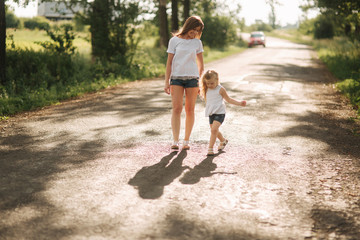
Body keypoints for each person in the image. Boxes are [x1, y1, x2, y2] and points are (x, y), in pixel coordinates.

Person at [164, 16, 205, 150]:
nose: (194, 33)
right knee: (177, 108)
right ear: (188, 26)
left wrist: (200, 83)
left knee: (190, 109)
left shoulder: (197, 43)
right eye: (193, 30)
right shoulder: (174, 41)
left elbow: (201, 66)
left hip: (193, 79)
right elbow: (169, 63)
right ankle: (175, 140)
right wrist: (167, 81)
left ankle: (186, 141)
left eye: (197, 31)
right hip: (176, 78)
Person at [199, 70, 246, 156]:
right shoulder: (206, 89)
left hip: (220, 113)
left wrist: (239, 103)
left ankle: (210, 149)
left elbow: (229, 100)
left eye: (212, 83)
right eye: (207, 83)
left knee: (213, 130)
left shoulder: (220, 89)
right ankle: (223, 140)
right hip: (211, 113)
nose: (209, 85)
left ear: (217, 80)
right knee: (214, 130)